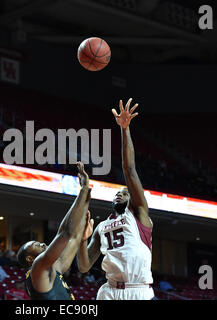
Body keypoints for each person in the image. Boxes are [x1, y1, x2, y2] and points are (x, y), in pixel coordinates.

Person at [77, 98, 154, 300]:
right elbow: (84, 267)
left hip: (138, 289)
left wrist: (124, 129)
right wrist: (82, 240)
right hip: (109, 291)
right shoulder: (102, 226)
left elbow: (129, 170)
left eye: (125, 193)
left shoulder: (137, 213)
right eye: (118, 192)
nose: (120, 193)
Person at [17, 162, 92, 300]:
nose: (43, 244)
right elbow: (66, 233)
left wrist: (85, 195)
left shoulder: (51, 269)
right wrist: (83, 190)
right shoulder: (38, 268)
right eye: (37, 245)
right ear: (29, 258)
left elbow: (73, 236)